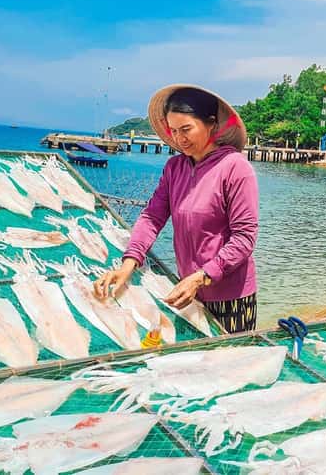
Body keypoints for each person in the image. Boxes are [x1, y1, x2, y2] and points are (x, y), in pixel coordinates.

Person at [93, 85, 259, 332]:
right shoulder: (175, 167)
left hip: (230, 298)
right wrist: (129, 263)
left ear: (211, 124)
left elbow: (245, 238)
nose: (179, 139)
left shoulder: (235, 168)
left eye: (186, 129)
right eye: (173, 131)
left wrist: (202, 276)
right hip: (186, 290)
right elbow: (152, 217)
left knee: (227, 364)